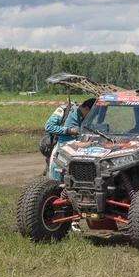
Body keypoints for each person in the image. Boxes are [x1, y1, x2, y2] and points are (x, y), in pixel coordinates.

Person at [45, 98, 96, 230]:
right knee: (56, 186)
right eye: (90, 114)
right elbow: (48, 126)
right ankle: (52, 218)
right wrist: (69, 131)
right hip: (61, 153)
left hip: (79, 155)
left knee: (75, 187)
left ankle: (74, 221)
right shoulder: (64, 110)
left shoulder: (88, 119)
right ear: (87, 109)